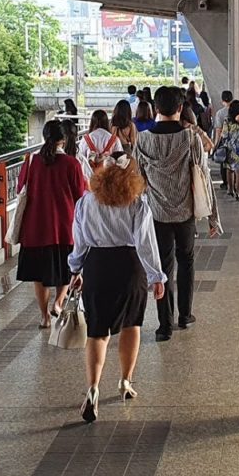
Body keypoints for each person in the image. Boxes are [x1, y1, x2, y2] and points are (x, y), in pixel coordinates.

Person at [68, 152, 167, 423]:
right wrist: (157, 276)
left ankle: (92, 387)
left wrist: (75, 270)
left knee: (98, 331)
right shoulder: (137, 203)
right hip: (129, 267)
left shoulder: (85, 202)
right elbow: (146, 243)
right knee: (131, 325)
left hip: (97, 267)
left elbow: (79, 243)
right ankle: (124, 381)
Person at [136, 87, 222, 342]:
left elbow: (136, 180)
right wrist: (213, 217)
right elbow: (203, 179)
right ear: (180, 108)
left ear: (155, 107)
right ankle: (185, 314)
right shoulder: (190, 139)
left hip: (156, 212)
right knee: (186, 260)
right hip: (185, 211)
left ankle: (164, 325)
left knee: (162, 266)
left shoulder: (142, 140)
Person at [16, 121, 87, 329]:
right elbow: (79, 196)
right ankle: (58, 302)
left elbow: (21, 188)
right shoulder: (72, 164)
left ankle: (44, 316)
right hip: (65, 227)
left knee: (39, 275)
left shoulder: (31, 161)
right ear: (63, 140)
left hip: (35, 228)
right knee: (66, 269)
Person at [78, 110, 123, 180]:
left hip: (91, 180)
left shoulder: (85, 140)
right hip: (109, 179)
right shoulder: (115, 140)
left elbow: (81, 159)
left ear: (92, 122)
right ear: (107, 122)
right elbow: (120, 160)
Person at [220, 100, 239, 201]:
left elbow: (224, 135)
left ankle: (230, 189)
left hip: (231, 148)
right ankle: (238, 192)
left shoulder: (227, 120)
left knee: (230, 169)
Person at [213, 91, 234, 192]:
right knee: (235, 161)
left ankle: (226, 183)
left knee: (224, 162)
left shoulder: (220, 113)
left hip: (224, 141)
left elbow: (218, 130)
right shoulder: (237, 111)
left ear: (222, 101)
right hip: (235, 140)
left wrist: (216, 144)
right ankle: (235, 182)